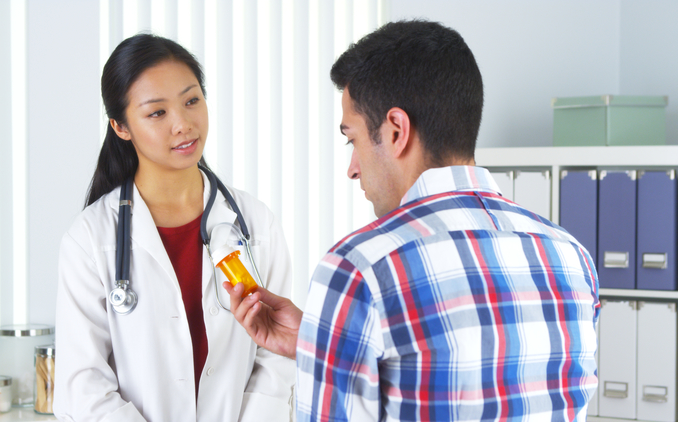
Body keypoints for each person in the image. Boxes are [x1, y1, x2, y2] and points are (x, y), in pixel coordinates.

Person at [225, 19, 600, 421]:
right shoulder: (570, 256)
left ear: (397, 130)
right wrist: (324, 342)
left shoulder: (359, 269)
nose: (352, 169)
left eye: (351, 139)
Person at [54, 34, 294, 422]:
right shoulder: (90, 239)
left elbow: (275, 358)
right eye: (157, 113)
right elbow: (83, 385)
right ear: (121, 127)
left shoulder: (255, 223)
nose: (183, 124)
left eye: (191, 100)